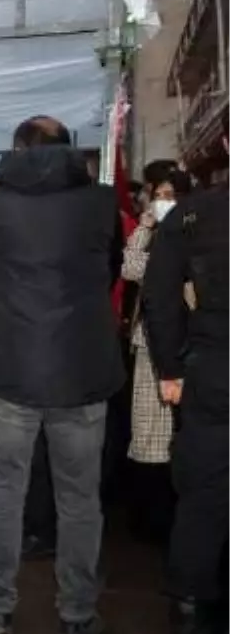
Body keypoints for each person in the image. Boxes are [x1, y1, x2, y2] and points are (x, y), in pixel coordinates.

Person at [0, 115, 123, 634]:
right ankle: (77, 615)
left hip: (10, 369)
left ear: (17, 150)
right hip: (82, 372)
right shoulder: (101, 203)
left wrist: (1, 296)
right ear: (69, 150)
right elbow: (108, 271)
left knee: (4, 492)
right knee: (80, 499)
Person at [141, 142, 230, 634]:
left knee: (204, 496)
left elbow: (159, 292)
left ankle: (193, 623)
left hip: (214, 366)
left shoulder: (196, 213)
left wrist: (171, 367)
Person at [121, 170, 192, 546]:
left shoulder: (195, 236)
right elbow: (131, 267)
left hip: (189, 344)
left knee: (179, 431)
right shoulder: (154, 236)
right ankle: (150, 516)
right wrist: (146, 225)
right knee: (149, 431)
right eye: (158, 195)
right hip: (150, 342)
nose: (163, 201)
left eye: (170, 195)